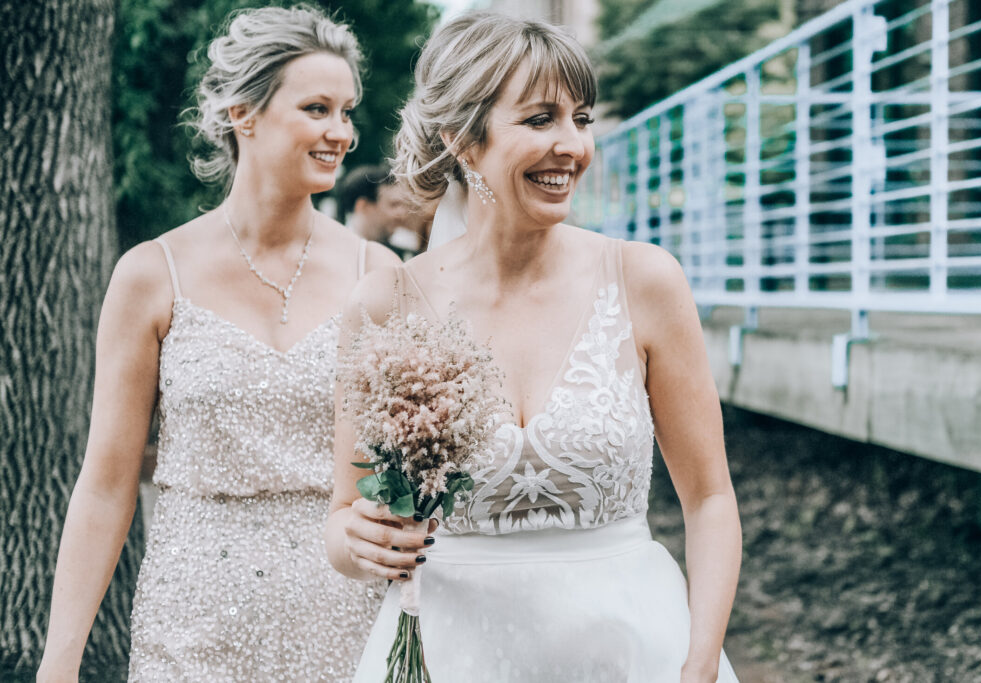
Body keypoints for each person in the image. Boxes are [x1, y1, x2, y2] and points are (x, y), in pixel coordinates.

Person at [325, 12, 742, 683]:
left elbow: (711, 499)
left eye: (583, 117)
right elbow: (343, 520)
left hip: (633, 650)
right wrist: (361, 539)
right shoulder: (384, 304)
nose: (573, 145)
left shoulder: (644, 280)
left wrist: (698, 662)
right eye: (541, 119)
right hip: (453, 654)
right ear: (463, 138)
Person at [37, 6, 396, 681]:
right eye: (317, 107)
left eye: (346, 111)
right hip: (191, 624)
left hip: (340, 619)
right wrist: (60, 660)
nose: (340, 132)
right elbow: (107, 484)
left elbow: (399, 474)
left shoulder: (376, 276)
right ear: (243, 114)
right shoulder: (151, 274)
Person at [339, 164, 419, 259]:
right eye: (394, 205)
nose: (402, 213)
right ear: (363, 206)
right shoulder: (335, 252)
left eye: (403, 205)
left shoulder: (406, 252)